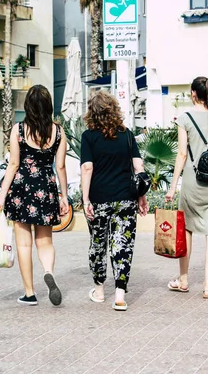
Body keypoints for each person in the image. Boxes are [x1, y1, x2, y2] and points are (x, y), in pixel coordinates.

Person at [0, 84, 69, 306]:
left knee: (24, 244)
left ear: (28, 105)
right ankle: (49, 271)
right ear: (48, 106)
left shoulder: (18, 130)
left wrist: (1, 195)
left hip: (22, 189)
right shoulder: (58, 131)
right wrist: (64, 197)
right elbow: (61, 167)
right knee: (45, 241)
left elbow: (14, 164)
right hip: (46, 188)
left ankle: (29, 293)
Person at [80, 91, 149, 311]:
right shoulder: (127, 135)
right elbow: (139, 168)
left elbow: (87, 168)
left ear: (92, 111)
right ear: (114, 109)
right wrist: (142, 196)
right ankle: (119, 294)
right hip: (126, 198)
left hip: (99, 198)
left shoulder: (89, 137)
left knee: (98, 243)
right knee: (123, 244)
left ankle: (99, 291)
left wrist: (85, 199)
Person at [165, 76, 208, 299]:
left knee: (187, 230)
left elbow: (182, 154)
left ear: (194, 93)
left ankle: (183, 280)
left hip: (193, 182)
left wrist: (172, 187)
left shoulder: (185, 118)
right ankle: (207, 285)